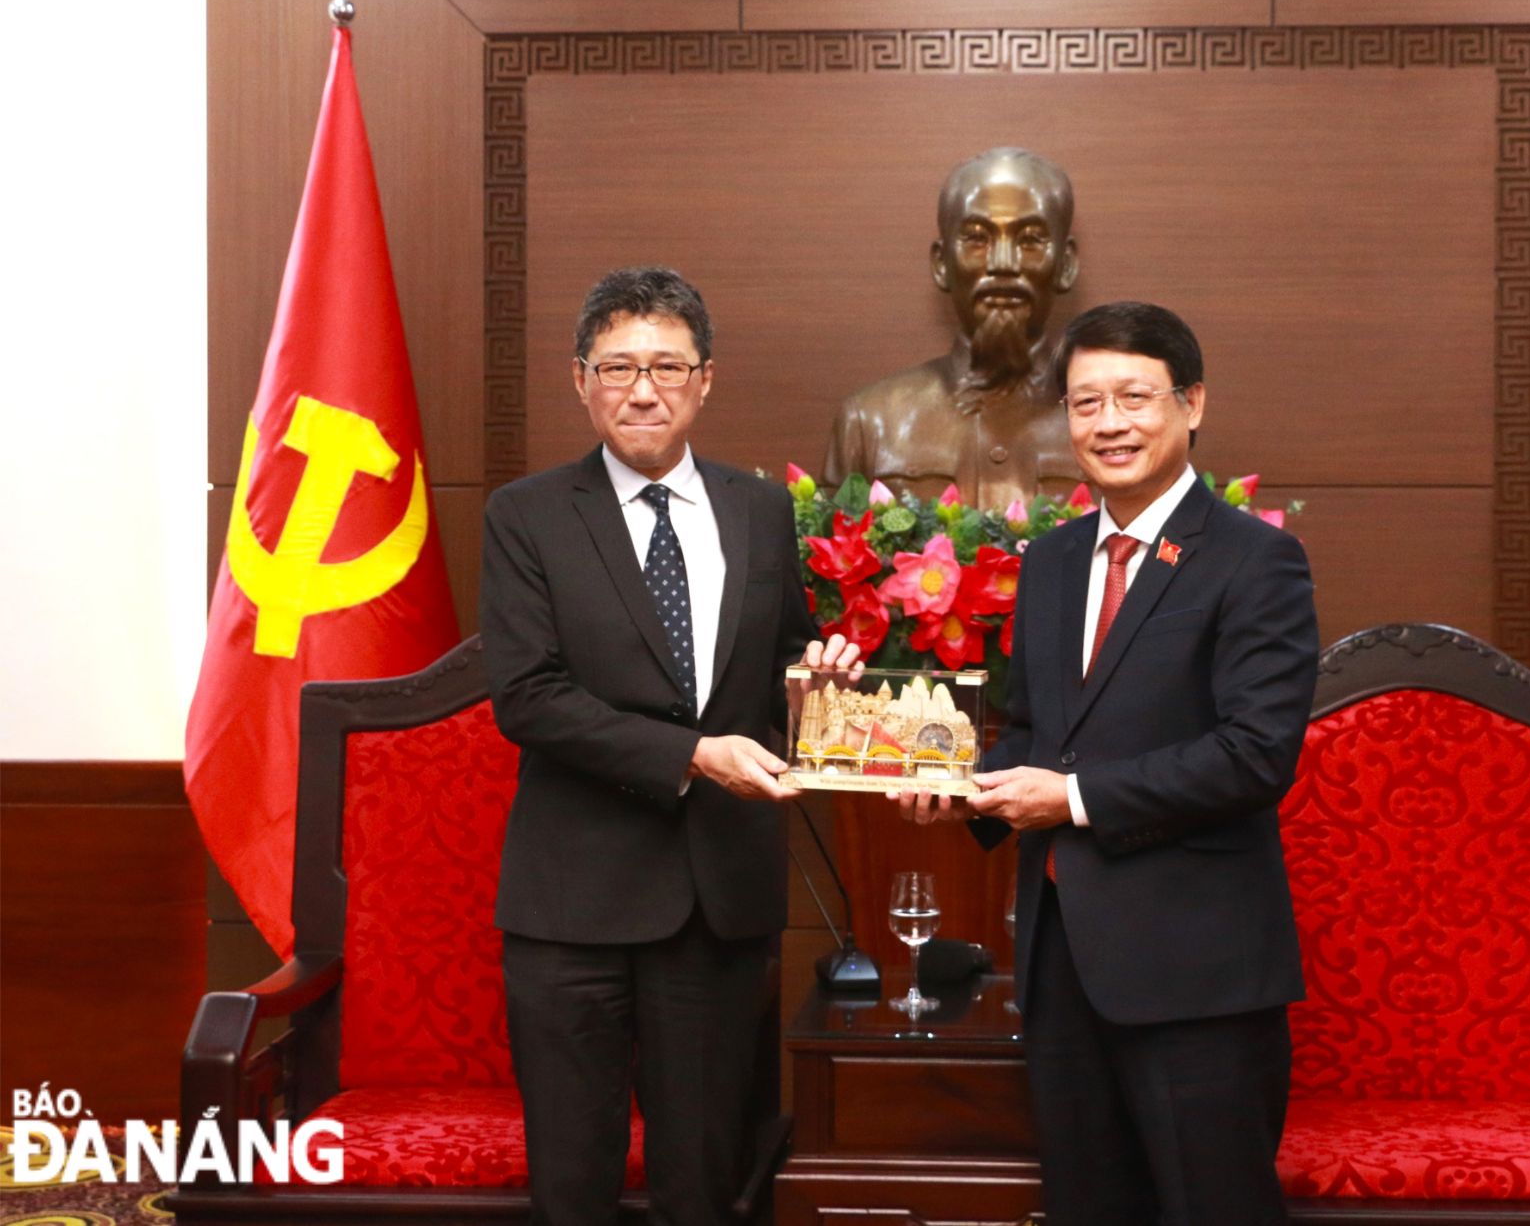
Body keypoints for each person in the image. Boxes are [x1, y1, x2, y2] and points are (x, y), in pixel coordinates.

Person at [897, 301, 1319, 1226]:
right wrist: (966, 791)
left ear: (1193, 403)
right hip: (1063, 971)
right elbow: (1041, 735)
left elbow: (1254, 756)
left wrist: (1075, 798)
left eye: (1134, 397)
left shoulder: (1256, 562)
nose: (1109, 423)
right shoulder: (1048, 563)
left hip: (1196, 977)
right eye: (1086, 403)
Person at [482, 267, 858, 1226]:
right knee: (574, 1176)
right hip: (572, 903)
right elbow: (528, 697)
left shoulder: (760, 509)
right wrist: (693, 755)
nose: (641, 389)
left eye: (665, 367)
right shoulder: (526, 515)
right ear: (580, 380)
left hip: (717, 898)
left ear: (705, 380)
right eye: (616, 367)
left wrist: (819, 685)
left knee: (706, 1175)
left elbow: (778, 666)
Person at [824, 146, 1085, 509]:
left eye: (1030, 240)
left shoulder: (1111, 425)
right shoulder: (870, 420)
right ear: (942, 263)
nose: (1003, 264)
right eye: (977, 238)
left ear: (1066, 265)